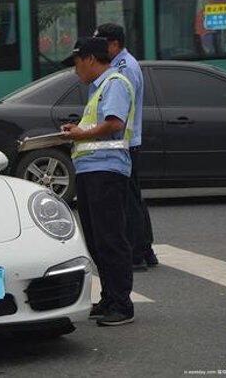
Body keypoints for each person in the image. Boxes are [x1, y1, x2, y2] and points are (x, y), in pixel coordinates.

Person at [60, 37, 135, 326]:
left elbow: (114, 124)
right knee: (96, 239)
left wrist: (81, 134)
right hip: (92, 171)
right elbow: (99, 124)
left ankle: (122, 304)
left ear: (90, 58)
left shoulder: (114, 82)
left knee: (110, 239)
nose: (75, 70)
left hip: (107, 171)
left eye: (76, 63)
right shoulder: (99, 87)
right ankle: (108, 299)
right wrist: (78, 130)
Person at [93, 23, 158, 269]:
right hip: (129, 141)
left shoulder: (123, 68)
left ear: (114, 44)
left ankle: (137, 254)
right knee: (133, 198)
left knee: (127, 202)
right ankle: (145, 249)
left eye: (101, 44)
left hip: (125, 142)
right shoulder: (125, 63)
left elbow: (120, 110)